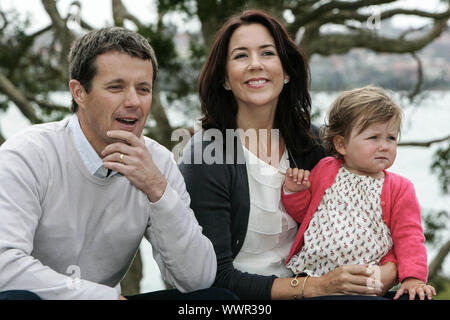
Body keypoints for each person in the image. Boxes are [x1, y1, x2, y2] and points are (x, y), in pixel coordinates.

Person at [179, 10, 398, 300]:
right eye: (241, 56)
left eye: (267, 53)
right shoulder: (207, 153)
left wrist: (389, 271)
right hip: (244, 299)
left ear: (286, 72)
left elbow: (378, 214)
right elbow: (214, 277)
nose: (255, 65)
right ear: (225, 79)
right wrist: (314, 287)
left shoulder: (312, 142)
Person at [0, 27, 226, 300]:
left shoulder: (158, 163)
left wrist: (158, 190)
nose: (133, 102)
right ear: (79, 92)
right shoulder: (29, 153)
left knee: (218, 300)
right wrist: (99, 297)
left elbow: (198, 279)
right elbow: (5, 266)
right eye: (116, 87)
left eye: (143, 89)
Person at [282, 85, 437, 300]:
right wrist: (294, 192)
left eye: (391, 138)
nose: (384, 146)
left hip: (368, 278)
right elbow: (305, 216)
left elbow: (409, 236)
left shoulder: (400, 188)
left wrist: (413, 278)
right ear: (342, 144)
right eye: (373, 138)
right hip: (316, 275)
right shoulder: (325, 170)